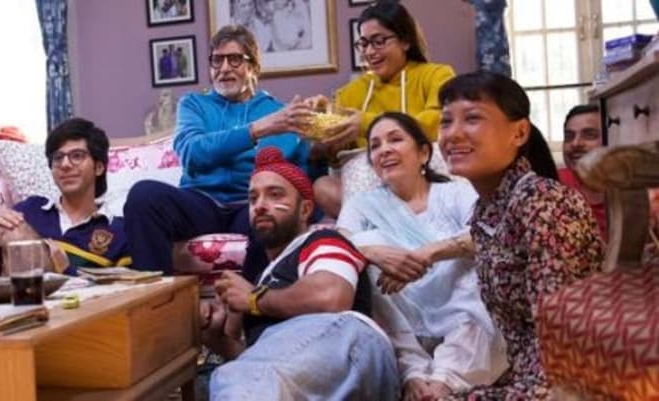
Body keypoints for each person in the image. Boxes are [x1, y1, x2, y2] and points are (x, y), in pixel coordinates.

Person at [436, 71, 604, 400]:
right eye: (445, 122)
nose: (453, 134)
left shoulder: (544, 203)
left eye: (472, 118)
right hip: (533, 377)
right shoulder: (486, 212)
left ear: (519, 132)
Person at [123, 25, 324, 277]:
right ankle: (157, 296)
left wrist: (320, 147)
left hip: (249, 204)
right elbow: (193, 154)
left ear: (254, 67)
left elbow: (304, 178)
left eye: (235, 59)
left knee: (271, 211)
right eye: (217, 60)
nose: (224, 68)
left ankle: (253, 298)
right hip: (200, 202)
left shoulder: (282, 114)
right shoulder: (194, 104)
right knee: (143, 195)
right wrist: (258, 129)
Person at [203, 147, 399, 400]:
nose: (260, 206)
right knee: (231, 376)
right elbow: (267, 367)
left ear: (305, 209)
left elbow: (331, 297)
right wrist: (216, 338)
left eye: (275, 195)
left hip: (351, 343)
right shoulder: (264, 277)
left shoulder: (323, 239)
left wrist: (254, 298)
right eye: (253, 199)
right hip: (296, 372)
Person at [337, 112, 507, 401]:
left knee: (474, 265)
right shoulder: (361, 205)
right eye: (375, 145)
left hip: (463, 313)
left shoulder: (455, 192)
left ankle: (445, 380)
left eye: (395, 139)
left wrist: (427, 254)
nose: (384, 150)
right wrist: (375, 253)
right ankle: (412, 372)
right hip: (403, 315)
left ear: (424, 154)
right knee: (362, 247)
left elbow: (491, 233)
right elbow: (338, 243)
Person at [306, 0, 456, 217]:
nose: (369, 52)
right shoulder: (349, 93)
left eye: (378, 41)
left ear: (405, 41)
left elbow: (440, 123)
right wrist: (322, 135)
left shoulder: (436, 75)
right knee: (323, 187)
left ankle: (395, 223)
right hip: (369, 190)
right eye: (363, 44)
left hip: (425, 183)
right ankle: (389, 223)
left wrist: (367, 124)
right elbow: (340, 158)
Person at [0, 118, 130, 279]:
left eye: (77, 156)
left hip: (77, 298)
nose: (65, 165)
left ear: (99, 167)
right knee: (13, 230)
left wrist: (65, 270)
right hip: (14, 294)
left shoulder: (119, 231)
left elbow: (122, 291)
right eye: (58, 157)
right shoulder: (29, 210)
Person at [558, 104, 607, 240]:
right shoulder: (552, 185)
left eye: (589, 135)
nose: (575, 143)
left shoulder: (639, 190)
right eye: (569, 137)